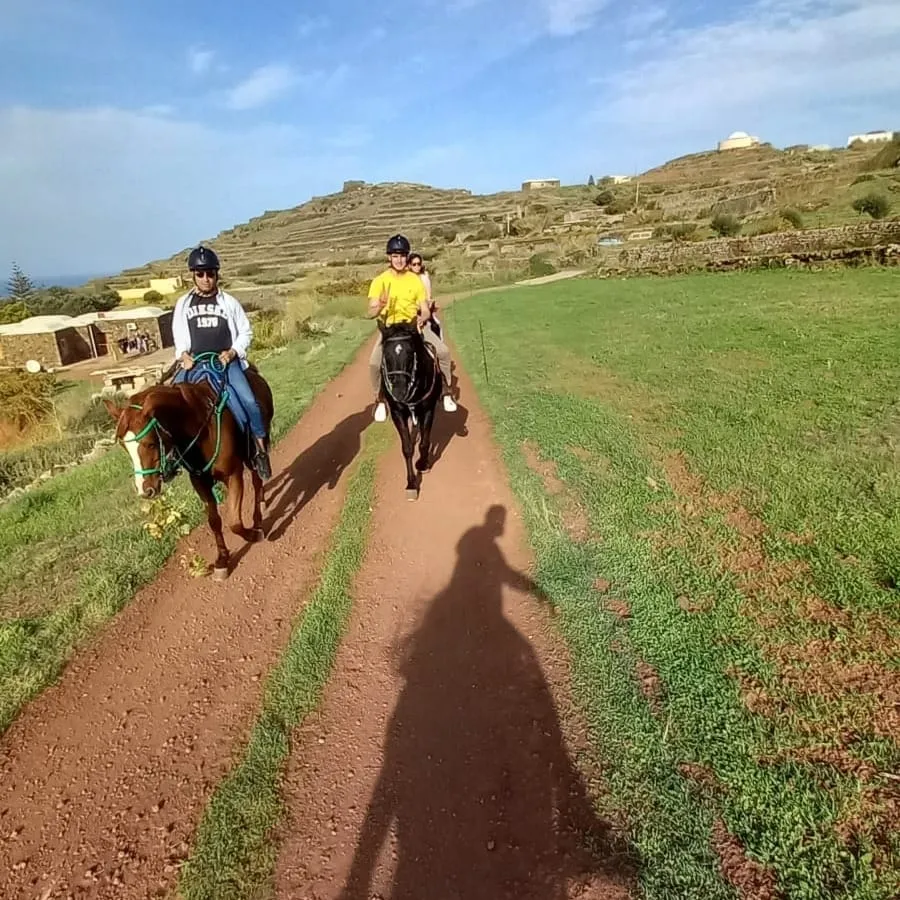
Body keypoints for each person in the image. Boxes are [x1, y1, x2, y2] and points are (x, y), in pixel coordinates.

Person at [171, 245, 272, 480]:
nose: (206, 279)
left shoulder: (229, 302)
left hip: (225, 362)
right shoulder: (183, 305)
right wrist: (183, 355)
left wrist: (233, 352)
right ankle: (174, 458)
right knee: (171, 402)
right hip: (195, 363)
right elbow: (178, 335)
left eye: (210, 273)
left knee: (249, 401)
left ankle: (259, 450)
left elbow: (245, 332)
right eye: (200, 274)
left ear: (216, 274)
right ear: (193, 276)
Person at [367, 234, 457, 423]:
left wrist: (422, 319)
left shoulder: (414, 280)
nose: (399, 260)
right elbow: (370, 312)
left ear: (406, 257)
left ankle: (446, 391)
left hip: (412, 326)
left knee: (443, 352)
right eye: (395, 255)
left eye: (402, 255)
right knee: (374, 363)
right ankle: (379, 399)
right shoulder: (379, 281)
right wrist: (380, 307)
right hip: (390, 330)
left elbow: (424, 310)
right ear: (388, 258)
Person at [407, 251, 442, 339]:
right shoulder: (405, 279)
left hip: (423, 310)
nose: (417, 267)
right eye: (414, 264)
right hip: (409, 312)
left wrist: (429, 304)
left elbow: (428, 296)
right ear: (409, 265)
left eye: (419, 264)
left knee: (435, 326)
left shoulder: (424, 278)